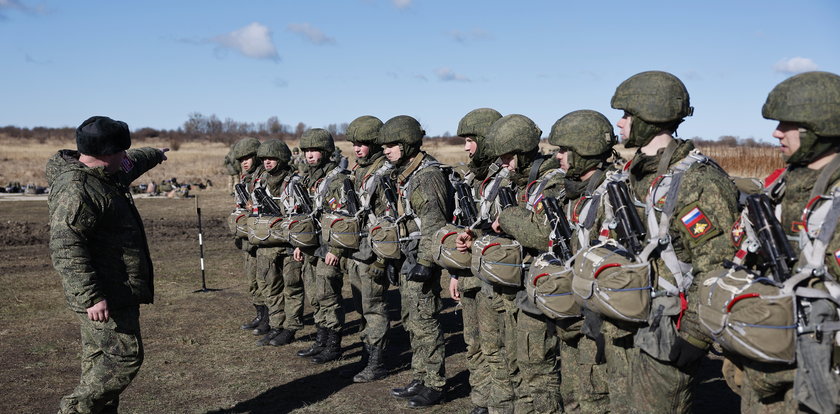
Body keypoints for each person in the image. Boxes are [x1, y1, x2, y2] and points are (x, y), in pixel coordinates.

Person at [610, 71, 740, 413]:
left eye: (626, 114)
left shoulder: (698, 181)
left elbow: (717, 264)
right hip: (629, 313)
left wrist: (694, 336)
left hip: (669, 324)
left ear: (648, 118)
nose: (620, 123)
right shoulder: (635, 174)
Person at [712, 71, 840, 413]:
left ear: (820, 127)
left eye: (788, 123)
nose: (775, 132)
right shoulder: (779, 189)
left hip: (818, 376)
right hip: (765, 362)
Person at [47, 116, 169, 414]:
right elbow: (66, 247)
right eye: (121, 151)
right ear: (104, 153)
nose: (125, 156)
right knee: (123, 358)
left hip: (115, 290)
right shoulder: (78, 189)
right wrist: (92, 297)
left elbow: (133, 161)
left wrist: (156, 153)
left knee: (99, 360)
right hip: (103, 294)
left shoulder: (107, 174)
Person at [482, 114, 565, 413]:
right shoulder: (520, 182)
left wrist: (506, 217)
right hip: (519, 282)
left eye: (506, 156)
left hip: (544, 286)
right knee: (519, 361)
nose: (502, 163)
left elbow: (541, 234)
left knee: (539, 370)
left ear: (520, 152)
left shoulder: (551, 182)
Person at [549, 110, 621, 412]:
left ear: (585, 150)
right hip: (574, 308)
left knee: (595, 396)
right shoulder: (575, 192)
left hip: (600, 315)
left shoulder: (613, 192)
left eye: (564, 150)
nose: (558, 157)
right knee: (573, 392)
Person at [380, 115, 452, 408]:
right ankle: (420, 375)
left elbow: (434, 221)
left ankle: (435, 383)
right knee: (412, 321)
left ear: (408, 144)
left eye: (392, 144)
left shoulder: (426, 175)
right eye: (384, 145)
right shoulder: (406, 172)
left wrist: (425, 261)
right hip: (407, 257)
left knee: (426, 321)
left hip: (421, 260)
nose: (386, 150)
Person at [447, 108, 503, 414]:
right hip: (470, 272)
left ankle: (498, 403)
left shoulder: (505, 181)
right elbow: (463, 225)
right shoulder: (472, 179)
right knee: (473, 342)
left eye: (471, 140)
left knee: (496, 348)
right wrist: (455, 272)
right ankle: (481, 400)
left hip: (495, 279)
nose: (467, 147)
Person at [341, 115, 393, 382]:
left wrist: (382, 256)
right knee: (362, 307)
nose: (357, 149)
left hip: (373, 253)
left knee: (374, 308)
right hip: (356, 251)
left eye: (362, 144)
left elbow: (388, 216)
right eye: (354, 144)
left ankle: (377, 360)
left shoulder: (383, 173)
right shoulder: (359, 170)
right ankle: (367, 353)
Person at [293, 128, 350, 364]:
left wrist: (336, 249)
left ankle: (333, 345)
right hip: (311, 245)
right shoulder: (309, 178)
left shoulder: (338, 179)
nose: (309, 155)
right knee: (315, 296)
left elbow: (345, 216)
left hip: (329, 246)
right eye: (306, 150)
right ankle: (321, 340)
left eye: (314, 150)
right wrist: (299, 244)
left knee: (329, 296)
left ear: (326, 152)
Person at [252, 139, 305, 347]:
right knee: (270, 286)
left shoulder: (295, 182)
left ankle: (291, 327)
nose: (267, 162)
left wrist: (300, 243)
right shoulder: (260, 182)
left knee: (292, 287)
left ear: (282, 159)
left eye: (271, 158)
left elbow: (304, 216)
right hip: (267, 243)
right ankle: (276, 325)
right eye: (264, 159)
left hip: (290, 243)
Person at [232, 137, 270, 336]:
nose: (244, 162)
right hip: (248, 236)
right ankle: (259, 313)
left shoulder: (264, 177)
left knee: (264, 279)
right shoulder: (245, 179)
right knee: (252, 279)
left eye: (248, 158)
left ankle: (269, 318)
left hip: (261, 235)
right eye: (241, 159)